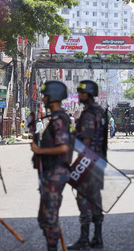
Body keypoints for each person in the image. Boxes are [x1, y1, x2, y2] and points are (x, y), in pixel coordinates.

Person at [30, 81, 71, 251]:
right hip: (50, 173)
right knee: (44, 218)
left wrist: (39, 150)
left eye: (46, 96)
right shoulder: (54, 119)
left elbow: (63, 147)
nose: (43, 99)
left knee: (49, 217)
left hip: (56, 173)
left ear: (52, 98)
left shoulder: (59, 120)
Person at [67, 80, 107, 250]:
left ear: (89, 94)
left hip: (88, 161)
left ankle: (84, 238)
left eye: (81, 93)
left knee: (83, 198)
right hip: (99, 160)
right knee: (96, 198)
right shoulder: (100, 112)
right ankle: (97, 237)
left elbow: (86, 140)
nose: (79, 95)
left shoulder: (90, 114)